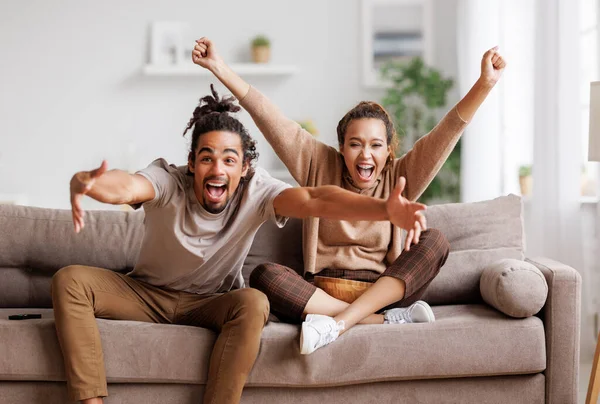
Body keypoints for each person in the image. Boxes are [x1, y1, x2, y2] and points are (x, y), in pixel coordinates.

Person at [52, 85, 429, 404]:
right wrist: (89, 184)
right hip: (147, 294)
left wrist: (384, 210)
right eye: (207, 158)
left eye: (229, 160)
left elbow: (316, 199)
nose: (217, 170)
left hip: (212, 302)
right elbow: (128, 186)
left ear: (244, 167)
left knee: (254, 300)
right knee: (70, 280)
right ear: (191, 163)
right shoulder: (169, 180)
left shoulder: (258, 189)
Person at [191, 37, 506, 355]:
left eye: (375, 145)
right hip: (322, 291)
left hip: (384, 290)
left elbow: (447, 131)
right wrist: (219, 67)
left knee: (435, 239)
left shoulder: (401, 176)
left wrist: (484, 84)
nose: (365, 154)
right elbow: (268, 116)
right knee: (263, 275)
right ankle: (381, 322)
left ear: (388, 152)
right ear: (341, 148)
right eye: (355, 143)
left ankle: (339, 323)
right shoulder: (318, 163)